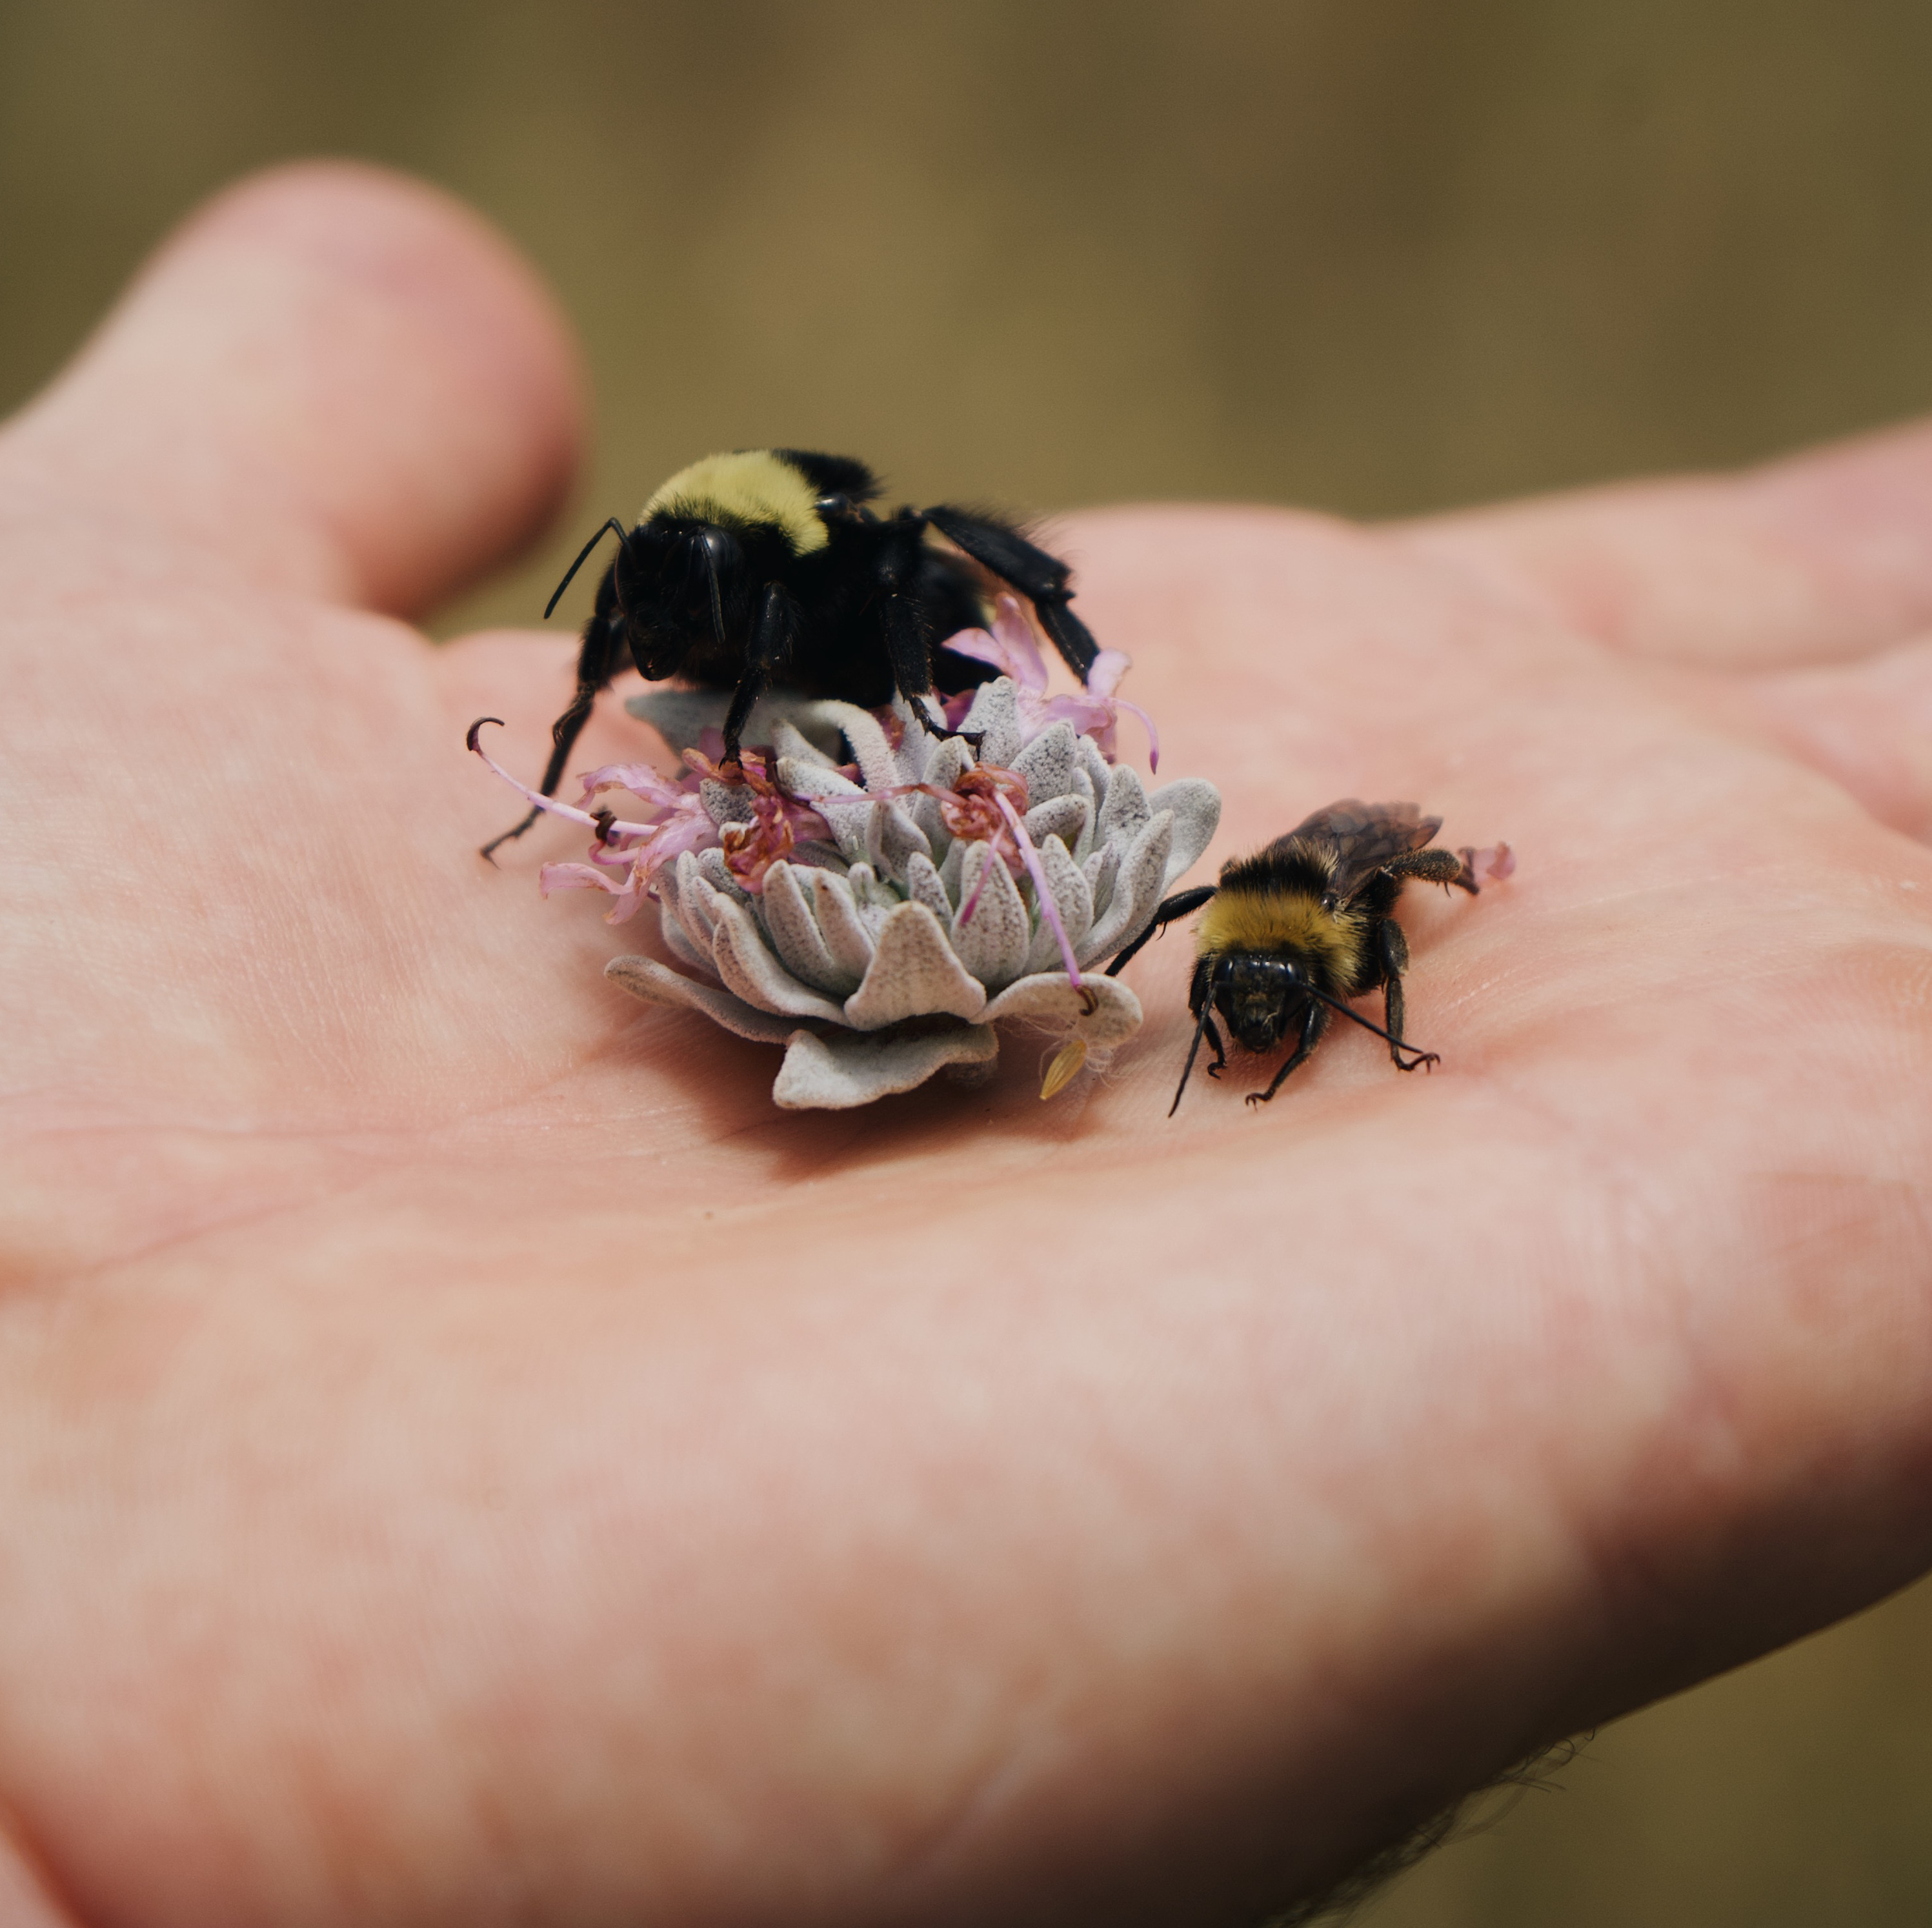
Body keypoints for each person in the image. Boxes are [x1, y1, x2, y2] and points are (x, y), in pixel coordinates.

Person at [3, 159, 1930, 1927]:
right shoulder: (674, 591)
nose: (664, 648)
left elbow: (898, 548)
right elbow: (652, 643)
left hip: (914, 646)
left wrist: (1049, 656)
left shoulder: (841, 573)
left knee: (915, 575)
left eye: (684, 631)